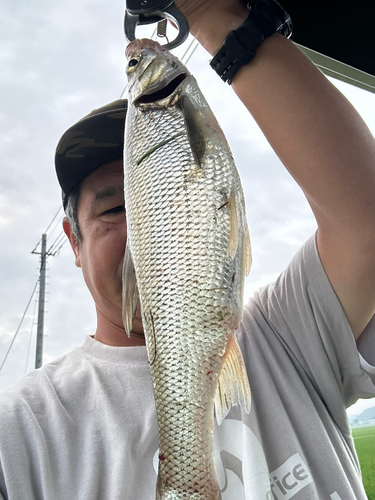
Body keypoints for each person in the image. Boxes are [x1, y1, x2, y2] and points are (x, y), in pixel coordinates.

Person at [1, 0, 375, 498]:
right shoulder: (21, 428)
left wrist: (210, 12)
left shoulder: (284, 332)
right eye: (114, 209)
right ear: (74, 241)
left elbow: (364, 217)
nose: (147, 224)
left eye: (163, 192)